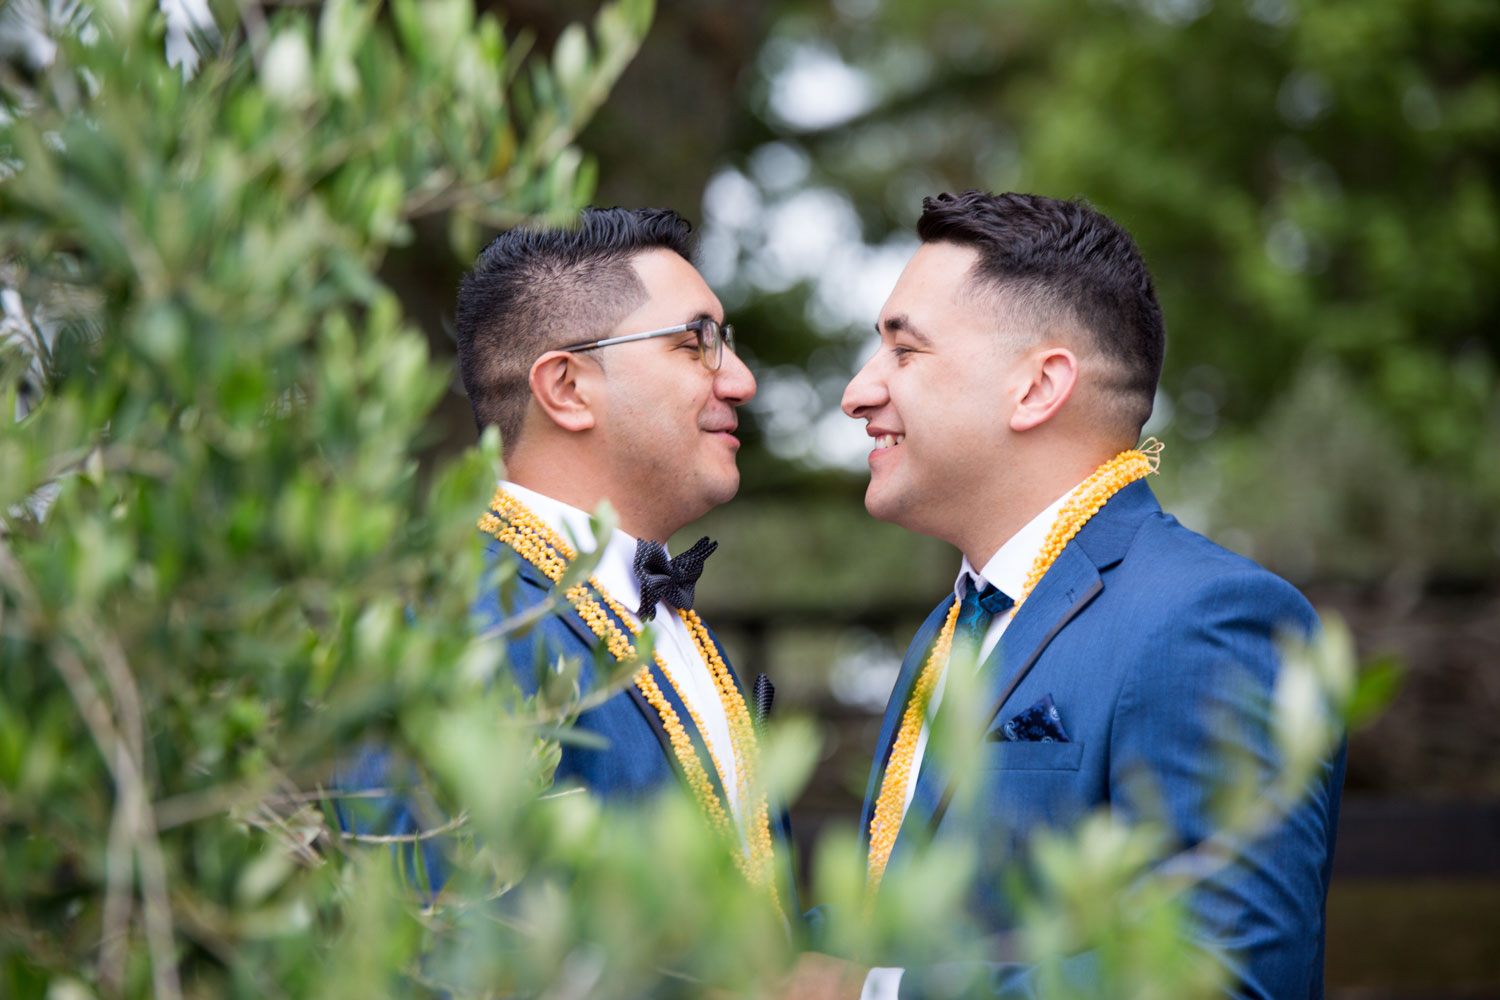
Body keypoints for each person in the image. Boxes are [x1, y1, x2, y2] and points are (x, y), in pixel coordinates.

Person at [801, 191, 1344, 999]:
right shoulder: (948, 629)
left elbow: (1225, 976)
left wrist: (877, 993)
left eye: (904, 352)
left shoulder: (1210, 620)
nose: (858, 392)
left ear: (1037, 387)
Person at [338, 207, 790, 907]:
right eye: (696, 342)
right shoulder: (456, 630)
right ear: (568, 389)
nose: (740, 380)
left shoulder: (669, 618)